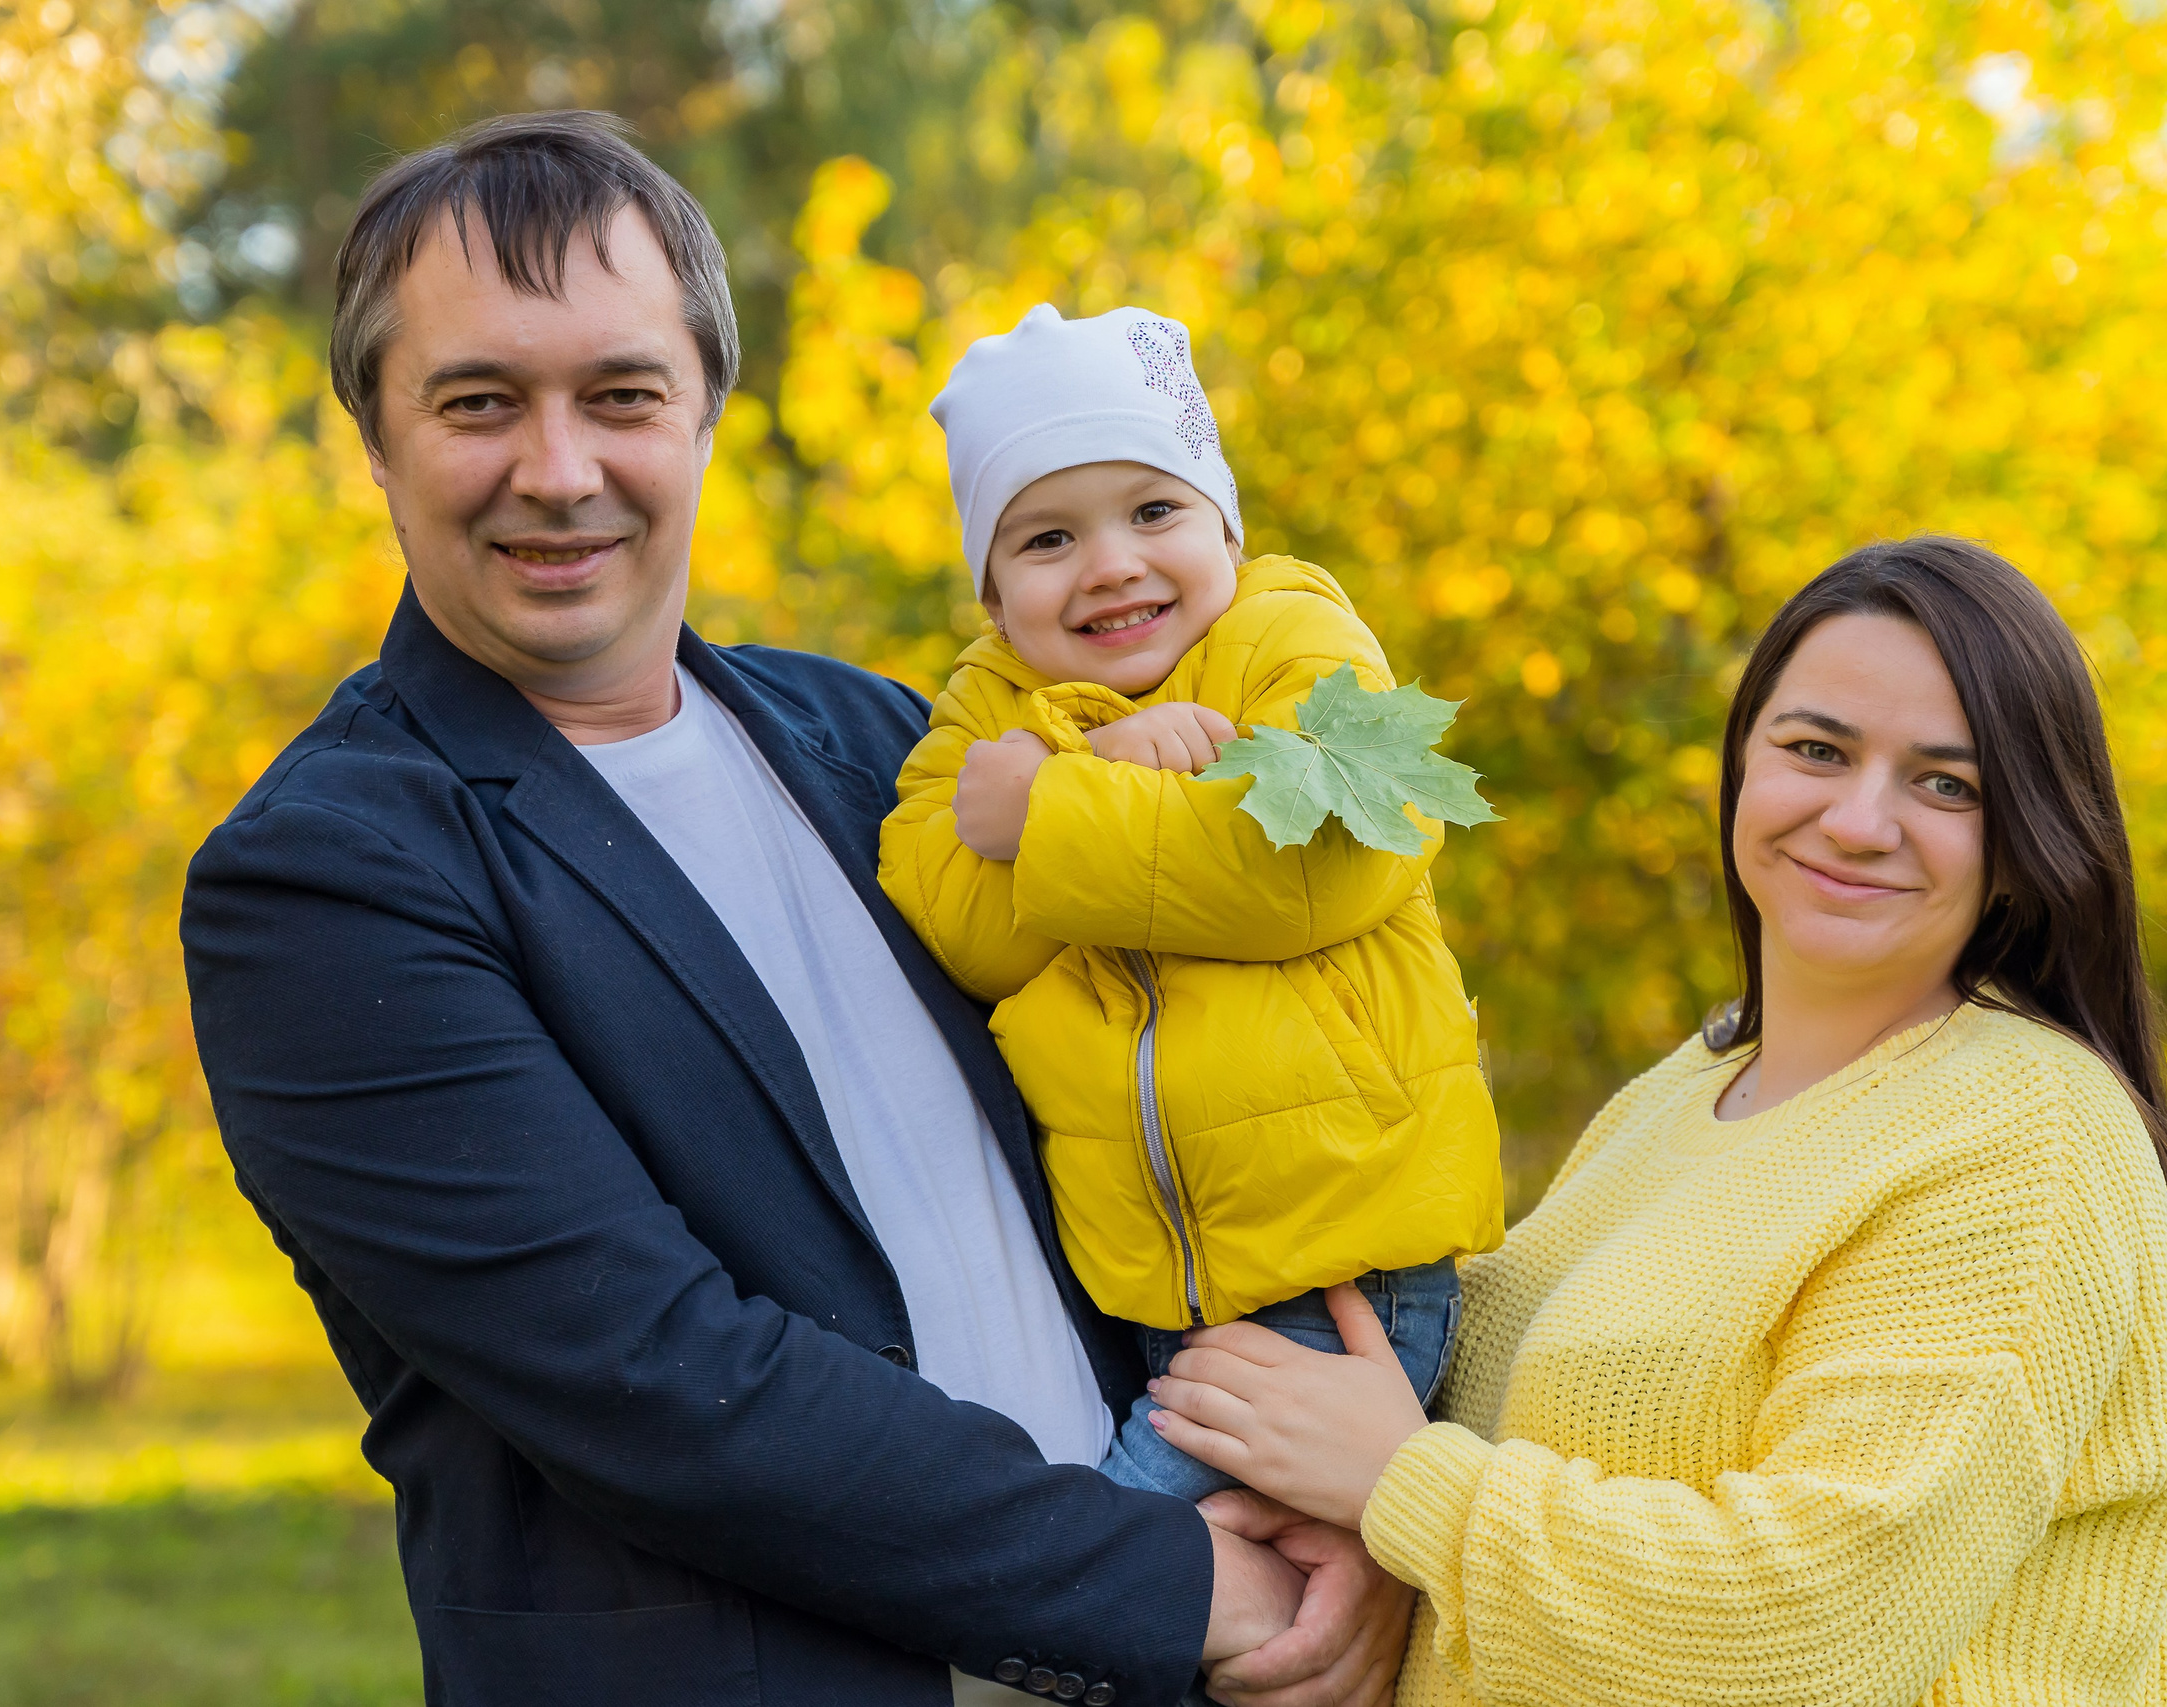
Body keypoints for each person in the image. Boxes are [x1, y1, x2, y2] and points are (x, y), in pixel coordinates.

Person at [179, 110, 1410, 1707]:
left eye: (621, 395)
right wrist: (1189, 1587)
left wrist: (1350, 1470)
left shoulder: (884, 743)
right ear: (378, 438)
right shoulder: (328, 875)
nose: (560, 472)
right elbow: (658, 1378)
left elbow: (1190, 1079)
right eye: (480, 402)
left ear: (703, 415)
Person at [1143, 537, 2167, 1705]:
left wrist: (1404, 1485)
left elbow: (1816, 1629)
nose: (1858, 820)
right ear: (1742, 768)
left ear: (2023, 844)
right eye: (1815, 750)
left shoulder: (2021, 1137)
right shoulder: (1672, 1099)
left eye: (1945, 784)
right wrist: (1374, 1545)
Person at [877, 303, 1504, 1504]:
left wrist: (1058, 799)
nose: (1112, 562)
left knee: (1121, 1559)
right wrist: (1101, 750)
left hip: (1342, 1276)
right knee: (1241, 1602)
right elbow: (961, 925)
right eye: (1048, 538)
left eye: (1154, 512)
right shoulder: (983, 707)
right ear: (995, 599)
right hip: (1153, 1298)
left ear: (1225, 523)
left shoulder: (1295, 642)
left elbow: (1308, 866)